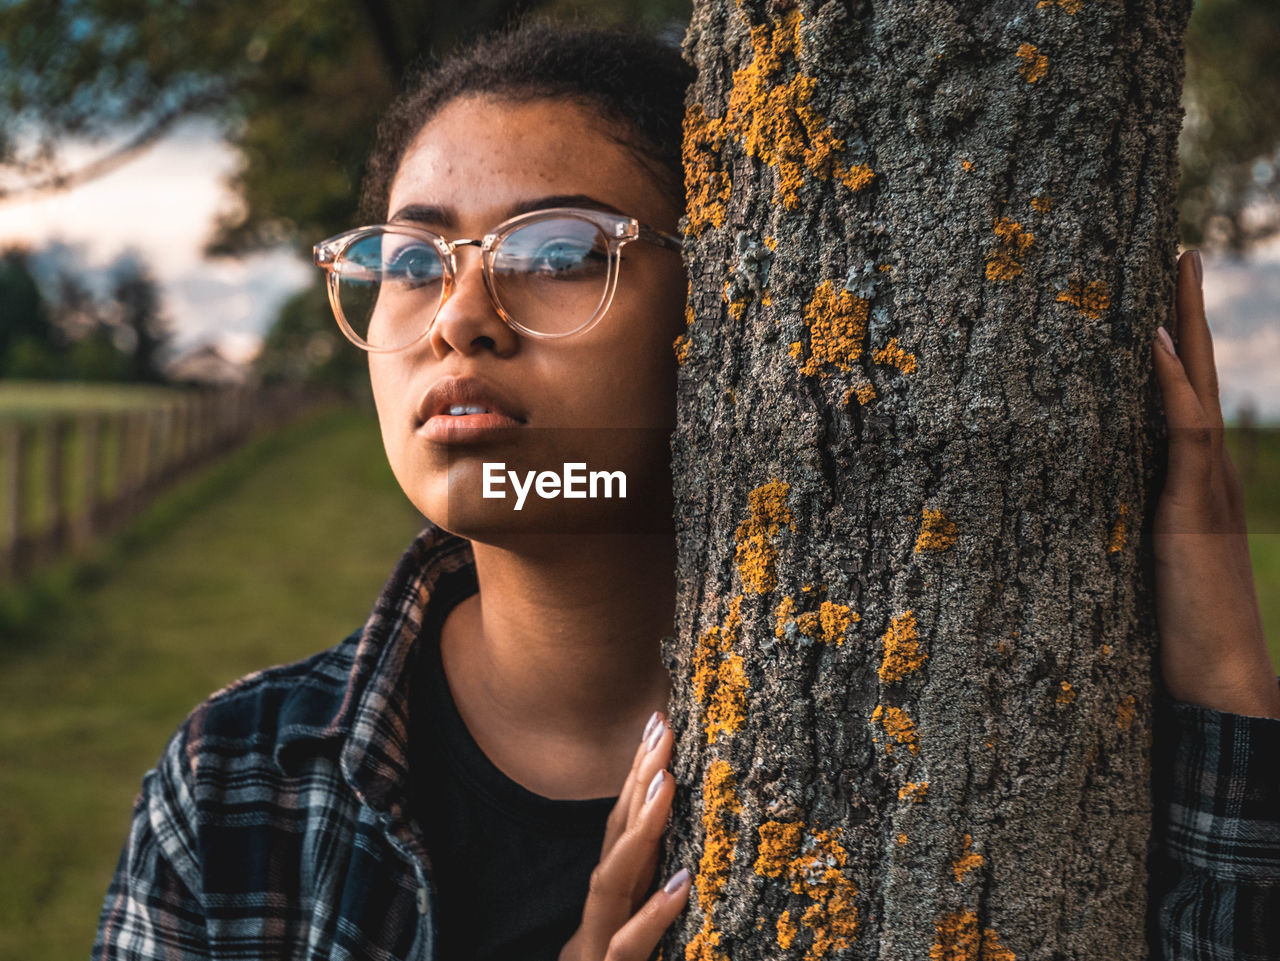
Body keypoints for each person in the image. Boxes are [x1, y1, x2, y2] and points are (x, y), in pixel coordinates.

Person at [92, 18, 1280, 961]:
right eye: (411, 261)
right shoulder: (235, 791)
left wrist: (1225, 676)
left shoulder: (923, 746)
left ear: (730, 310)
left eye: (554, 253)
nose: (458, 318)